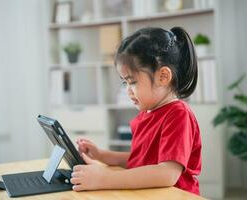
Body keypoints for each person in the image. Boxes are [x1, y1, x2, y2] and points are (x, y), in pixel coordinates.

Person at [70, 27, 202, 195]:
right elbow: (140, 161)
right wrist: (101, 155)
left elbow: (166, 174)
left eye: (132, 82)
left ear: (163, 77)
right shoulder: (147, 113)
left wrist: (104, 178)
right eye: (125, 83)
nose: (128, 90)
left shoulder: (178, 114)